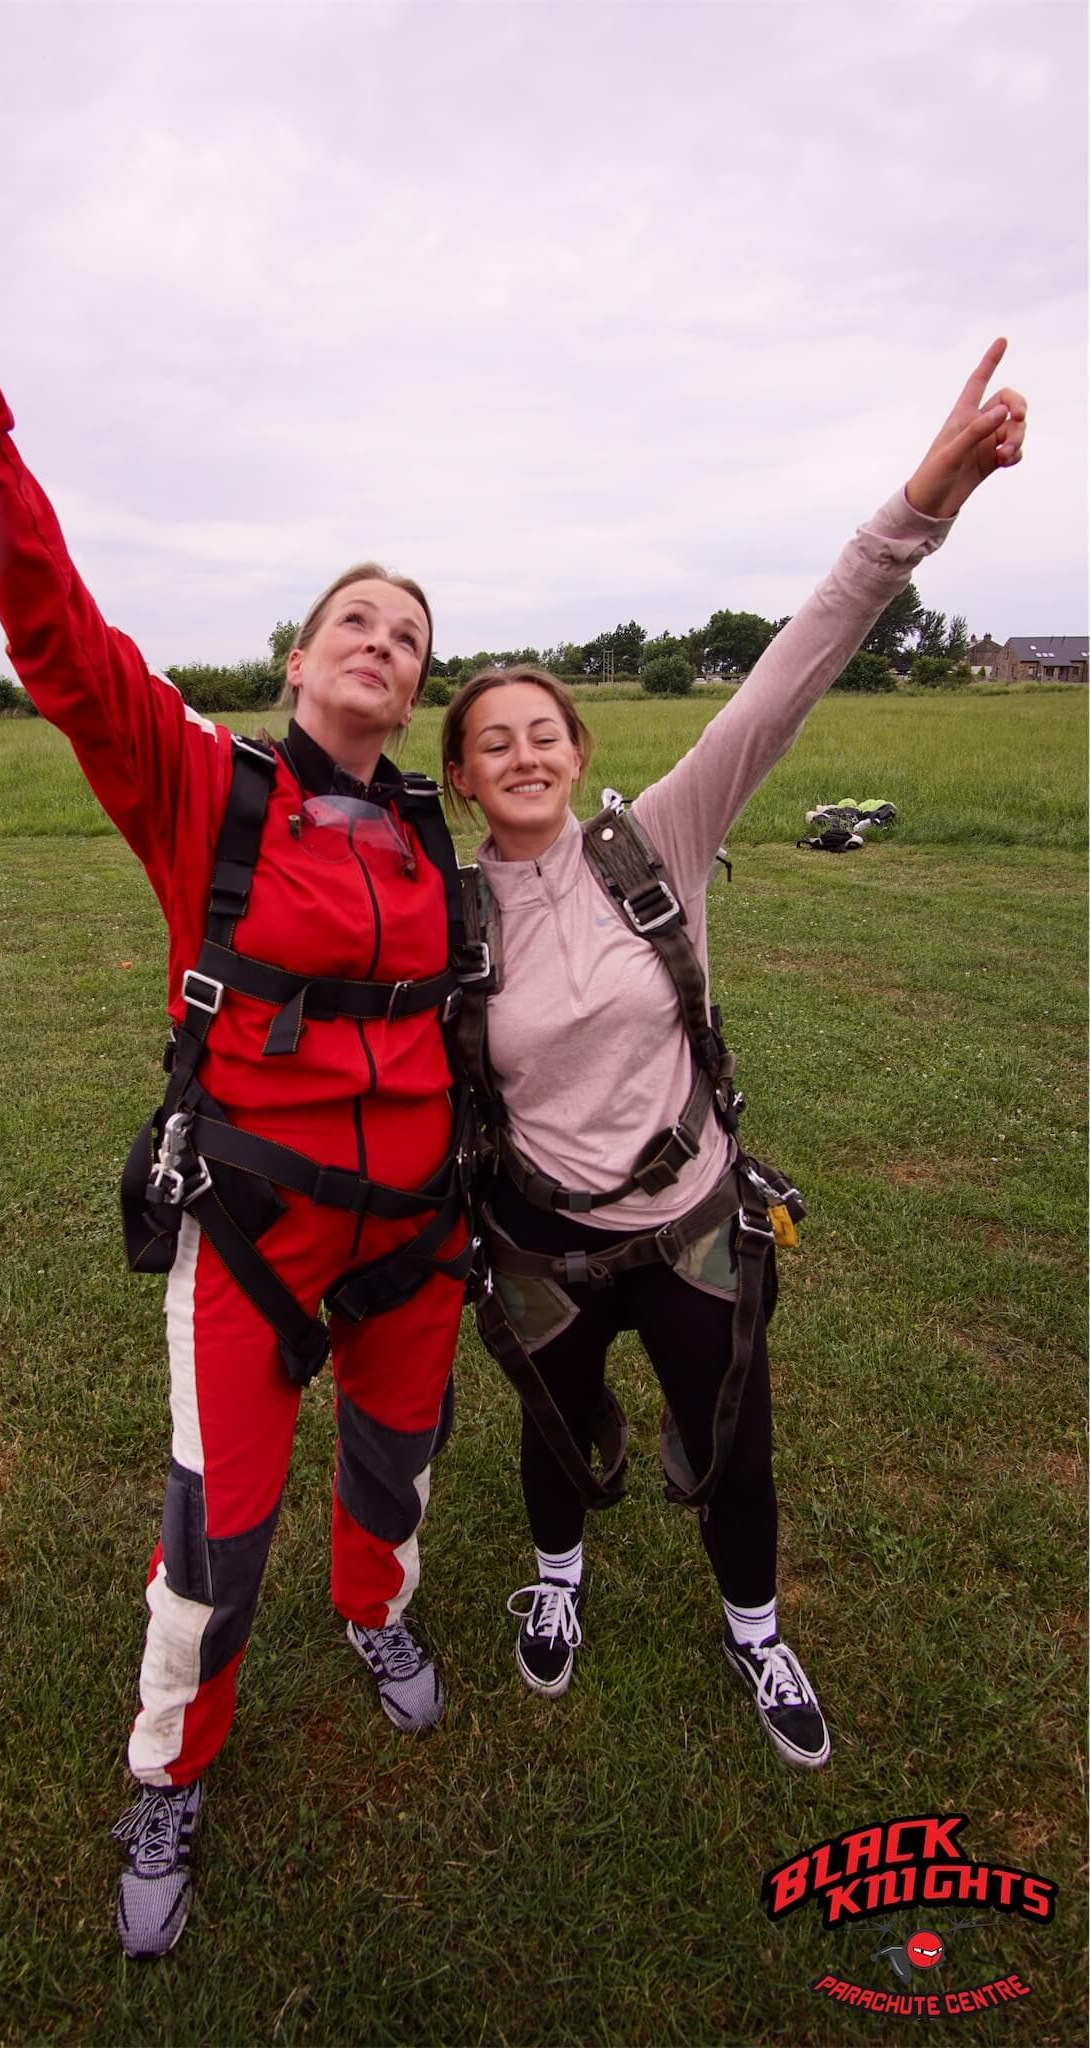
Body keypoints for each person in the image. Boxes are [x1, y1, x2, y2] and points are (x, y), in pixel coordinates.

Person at [0, 89, 472, 1957]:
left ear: (416, 691)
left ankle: (376, 1610)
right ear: (297, 657)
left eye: (410, 637)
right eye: (357, 621)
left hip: (418, 1239)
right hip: (255, 1234)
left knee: (397, 1469)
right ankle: (170, 1773)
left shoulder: (437, 840)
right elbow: (50, 624)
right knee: (213, 1535)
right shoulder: (206, 790)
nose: (383, 645)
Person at [441, 344, 1026, 1767]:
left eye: (542, 732)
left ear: (575, 747)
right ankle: (558, 1577)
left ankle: (754, 1629)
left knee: (735, 1441)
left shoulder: (662, 835)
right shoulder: (441, 912)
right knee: (553, 1425)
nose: (522, 755)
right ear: (458, 776)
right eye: (491, 743)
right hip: (540, 1237)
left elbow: (790, 673)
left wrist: (924, 503)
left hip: (693, 1217)